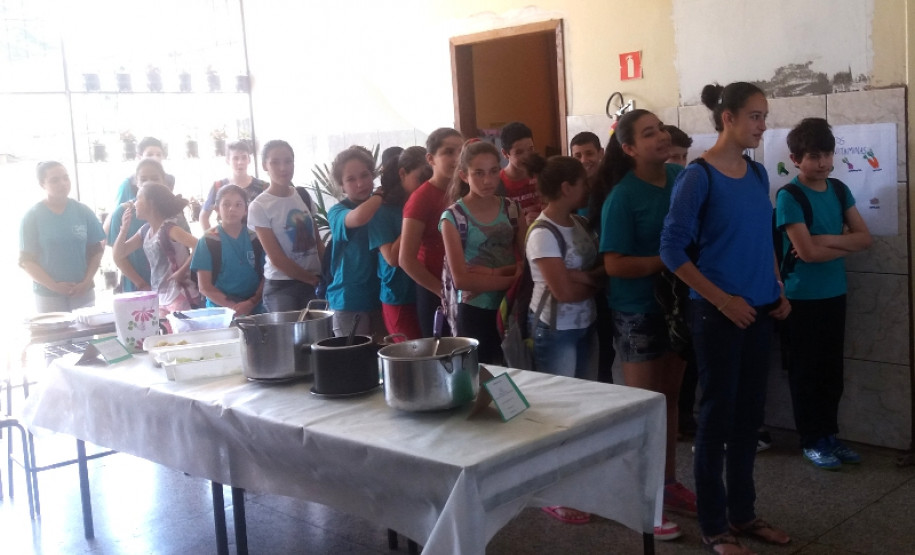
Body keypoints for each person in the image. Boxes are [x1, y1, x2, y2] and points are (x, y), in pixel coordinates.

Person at [660, 81, 792, 554]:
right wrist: (722, 300)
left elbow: (763, 238)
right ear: (728, 118)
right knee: (715, 418)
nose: (763, 124)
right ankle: (714, 525)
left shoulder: (757, 175)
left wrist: (775, 286)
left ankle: (743, 513)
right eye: (755, 116)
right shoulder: (698, 177)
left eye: (764, 115)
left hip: (758, 309)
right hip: (718, 315)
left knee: (748, 418)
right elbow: (671, 249)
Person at [599, 109, 694, 541]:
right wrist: (668, 260)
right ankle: (644, 502)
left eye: (661, 129)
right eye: (649, 133)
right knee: (646, 406)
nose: (660, 137)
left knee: (672, 397)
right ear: (630, 148)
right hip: (636, 309)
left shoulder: (680, 179)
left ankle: (668, 484)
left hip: (676, 306)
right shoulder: (622, 196)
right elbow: (614, 264)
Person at [776, 117, 872, 469]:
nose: (824, 163)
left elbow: (865, 238)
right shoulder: (790, 196)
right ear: (796, 158)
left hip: (835, 292)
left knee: (831, 371)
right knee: (806, 371)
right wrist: (839, 245)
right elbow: (809, 255)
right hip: (801, 298)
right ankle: (811, 440)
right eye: (814, 156)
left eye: (828, 154)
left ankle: (830, 435)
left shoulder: (839, 189)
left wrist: (825, 240)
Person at [440, 140, 525, 364]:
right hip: (474, 310)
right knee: (482, 377)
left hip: (510, 306)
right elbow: (462, 279)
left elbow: (526, 262)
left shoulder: (512, 209)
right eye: (478, 173)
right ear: (463, 175)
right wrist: (513, 279)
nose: (488, 181)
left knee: (517, 372)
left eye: (494, 171)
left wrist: (493, 274)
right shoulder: (454, 218)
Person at [524, 153, 601, 379]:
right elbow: (564, 292)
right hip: (555, 329)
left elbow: (604, 269)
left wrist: (582, 277)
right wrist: (596, 281)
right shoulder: (543, 233)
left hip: (587, 321)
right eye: (583, 183)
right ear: (566, 188)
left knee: (588, 397)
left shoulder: (581, 223)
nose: (588, 188)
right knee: (562, 402)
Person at [400, 128, 464, 337]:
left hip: (468, 290)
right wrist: (443, 292)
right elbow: (406, 259)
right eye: (448, 152)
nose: (457, 158)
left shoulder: (467, 190)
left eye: (461, 151)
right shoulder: (421, 198)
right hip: (435, 292)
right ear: (431, 159)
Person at [247, 140, 323, 313]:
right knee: (290, 339)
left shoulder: (303, 195)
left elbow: (318, 243)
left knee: (320, 338)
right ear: (264, 165)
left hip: (314, 282)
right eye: (275, 162)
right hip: (282, 286)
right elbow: (276, 258)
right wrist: (312, 280)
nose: (283, 168)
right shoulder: (259, 206)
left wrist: (327, 275)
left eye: (288, 161)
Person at [19, 161, 105, 313]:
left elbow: (96, 250)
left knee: (86, 335)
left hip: (82, 292)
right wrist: (54, 286)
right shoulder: (32, 217)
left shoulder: (83, 211)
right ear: (42, 184)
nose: (63, 183)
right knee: (56, 336)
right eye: (54, 180)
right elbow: (26, 261)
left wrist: (86, 282)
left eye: (66, 178)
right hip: (48, 296)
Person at [369, 146, 431, 340]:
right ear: (402, 174)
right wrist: (413, 214)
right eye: (421, 178)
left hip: (426, 289)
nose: (427, 185)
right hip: (398, 297)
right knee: (412, 356)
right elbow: (392, 258)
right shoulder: (381, 210)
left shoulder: (433, 200)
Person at [112, 183, 200, 318]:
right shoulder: (145, 231)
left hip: (180, 294)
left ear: (150, 203)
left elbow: (198, 245)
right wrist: (124, 229)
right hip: (161, 296)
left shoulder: (170, 229)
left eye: (138, 199)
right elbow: (119, 254)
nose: (135, 203)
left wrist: (182, 271)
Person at [326, 146, 385, 338]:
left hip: (381, 296)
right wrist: (381, 195)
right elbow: (358, 218)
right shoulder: (336, 212)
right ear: (341, 185)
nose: (360, 184)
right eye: (351, 179)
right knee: (353, 361)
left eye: (365, 175)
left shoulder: (383, 205)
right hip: (349, 300)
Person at [570, 131, 614, 384]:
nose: (584, 160)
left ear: (601, 154)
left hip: (606, 276)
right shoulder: (571, 192)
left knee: (606, 344)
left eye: (589, 153)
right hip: (580, 280)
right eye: (577, 155)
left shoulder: (612, 190)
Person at [191, 184, 266, 315]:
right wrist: (233, 307)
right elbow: (204, 287)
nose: (232, 209)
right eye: (226, 204)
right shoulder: (208, 240)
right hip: (220, 308)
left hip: (255, 306)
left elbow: (268, 275)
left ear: (246, 210)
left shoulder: (257, 238)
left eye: (238, 205)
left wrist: (251, 303)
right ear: (216, 209)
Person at [106, 159, 171, 293]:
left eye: (154, 178)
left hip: (170, 288)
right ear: (136, 182)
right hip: (137, 287)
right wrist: (141, 283)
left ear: (164, 180)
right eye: (143, 179)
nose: (149, 183)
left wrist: (180, 274)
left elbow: (191, 249)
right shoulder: (123, 213)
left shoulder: (172, 211)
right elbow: (118, 255)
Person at [198, 140, 268, 231]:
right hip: (228, 241)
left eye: (244, 157)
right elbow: (203, 217)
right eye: (235, 158)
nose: (240, 162)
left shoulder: (263, 187)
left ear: (249, 160)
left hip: (258, 241)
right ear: (228, 160)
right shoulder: (218, 186)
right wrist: (212, 240)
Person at [498, 121, 540, 226]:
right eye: (519, 152)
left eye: (531, 149)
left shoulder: (541, 173)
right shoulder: (498, 183)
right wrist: (521, 223)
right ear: (505, 153)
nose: (527, 156)